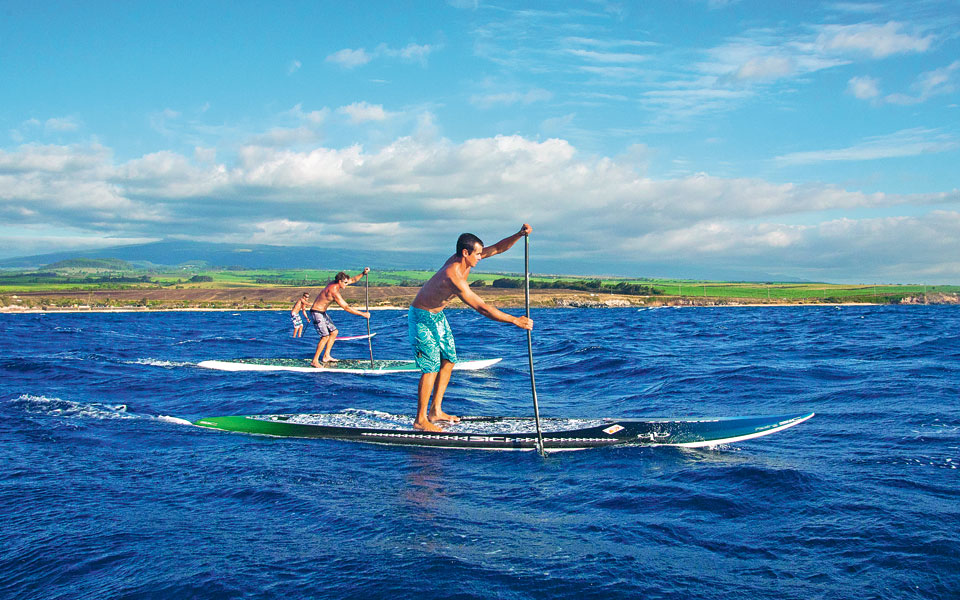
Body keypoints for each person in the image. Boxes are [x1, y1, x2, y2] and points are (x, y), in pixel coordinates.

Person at [409, 224, 534, 431]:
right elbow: (482, 308)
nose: (480, 257)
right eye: (477, 254)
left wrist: (519, 235)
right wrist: (515, 320)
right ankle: (420, 420)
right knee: (430, 367)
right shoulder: (453, 276)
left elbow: (498, 248)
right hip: (421, 317)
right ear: (465, 253)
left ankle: (435, 411)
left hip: (437, 316)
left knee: (449, 359)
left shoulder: (465, 259)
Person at [308, 268, 371, 367]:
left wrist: (363, 273)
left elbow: (353, 280)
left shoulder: (336, 283)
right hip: (316, 313)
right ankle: (314, 361)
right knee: (325, 337)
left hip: (322, 312)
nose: (346, 284)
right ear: (339, 281)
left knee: (334, 332)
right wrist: (363, 314)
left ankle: (326, 356)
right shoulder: (333, 292)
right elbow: (346, 307)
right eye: (345, 283)